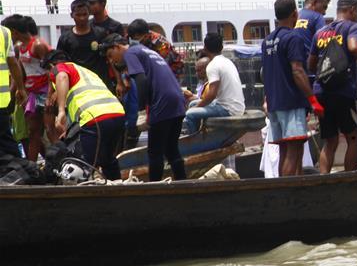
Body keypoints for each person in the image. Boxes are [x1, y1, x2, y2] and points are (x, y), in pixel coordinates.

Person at [103, 34, 187, 181]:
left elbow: (141, 80)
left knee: (155, 152)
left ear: (117, 47)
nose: (112, 61)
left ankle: (153, 189)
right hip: (177, 100)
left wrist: (141, 109)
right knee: (172, 150)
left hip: (162, 102)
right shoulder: (146, 50)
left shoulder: (130, 53)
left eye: (111, 55)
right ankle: (184, 184)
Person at [262, 0, 324, 177]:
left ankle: (289, 190)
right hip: (291, 103)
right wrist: (313, 100)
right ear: (294, 14)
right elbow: (298, 71)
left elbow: (266, 73)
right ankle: (288, 192)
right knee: (294, 150)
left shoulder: (267, 41)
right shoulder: (293, 38)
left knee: (284, 149)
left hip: (275, 104)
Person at [307, 0, 357, 173]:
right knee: (353, 138)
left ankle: (324, 181)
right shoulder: (352, 27)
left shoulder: (320, 32)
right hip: (343, 92)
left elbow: (311, 64)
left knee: (330, 141)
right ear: (350, 10)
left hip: (321, 91)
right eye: (356, 10)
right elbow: (355, 47)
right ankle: (349, 180)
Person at [44, 51, 125, 180]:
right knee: (108, 160)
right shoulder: (87, 72)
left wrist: (61, 111)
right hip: (117, 113)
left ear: (51, 66)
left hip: (96, 117)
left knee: (83, 164)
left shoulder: (60, 67)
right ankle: (117, 192)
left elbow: (62, 77)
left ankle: (85, 197)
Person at [2, 15, 54, 161]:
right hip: (32, 94)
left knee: (50, 132)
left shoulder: (38, 45)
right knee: (33, 132)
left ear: (14, 32)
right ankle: (32, 167)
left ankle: (59, 164)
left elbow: (53, 70)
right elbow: (20, 71)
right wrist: (19, 90)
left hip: (45, 92)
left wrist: (51, 95)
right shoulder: (20, 48)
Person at [183, 33, 245, 134]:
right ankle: (199, 131)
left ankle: (195, 139)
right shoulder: (228, 61)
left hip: (228, 109)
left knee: (190, 113)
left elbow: (212, 95)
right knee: (192, 103)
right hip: (237, 106)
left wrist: (197, 107)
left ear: (205, 48)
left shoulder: (212, 66)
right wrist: (197, 105)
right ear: (221, 47)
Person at [55, 0, 111, 91]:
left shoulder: (101, 33)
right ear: (72, 15)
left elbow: (109, 57)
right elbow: (60, 65)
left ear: (89, 14)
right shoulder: (64, 38)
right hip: (77, 85)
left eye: (84, 14)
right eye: (78, 15)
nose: (82, 18)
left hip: (101, 84)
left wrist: (119, 82)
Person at [0, 23, 27, 158]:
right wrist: (21, 89)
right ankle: (19, 169)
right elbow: (12, 63)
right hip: (2, 100)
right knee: (5, 139)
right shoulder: (4, 33)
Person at [295, 0, 331, 76]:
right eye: (324, 7)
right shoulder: (317, 17)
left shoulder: (295, 16)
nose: (324, 12)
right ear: (315, 3)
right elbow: (323, 45)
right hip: (311, 70)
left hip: (295, 69)